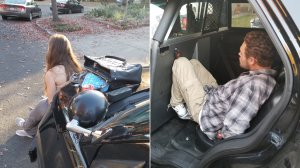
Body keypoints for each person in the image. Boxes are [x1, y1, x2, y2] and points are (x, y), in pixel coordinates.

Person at [170, 31, 277, 140]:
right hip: (216, 97)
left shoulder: (253, 87)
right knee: (193, 63)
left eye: (241, 52)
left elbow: (236, 126)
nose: (238, 54)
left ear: (251, 60)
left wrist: (220, 135)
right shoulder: (267, 77)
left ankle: (177, 105)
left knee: (181, 62)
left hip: (205, 112)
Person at [15, 34, 82, 138]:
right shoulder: (76, 67)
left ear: (52, 51)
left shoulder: (52, 73)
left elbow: (52, 102)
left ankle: (27, 128)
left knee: (39, 107)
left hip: (60, 108)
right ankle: (31, 127)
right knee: (41, 106)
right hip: (74, 106)